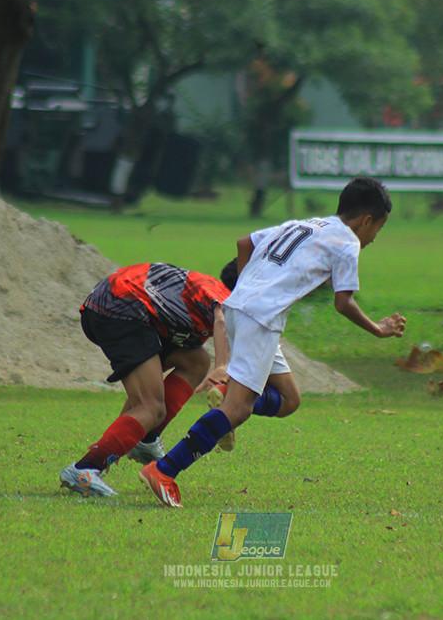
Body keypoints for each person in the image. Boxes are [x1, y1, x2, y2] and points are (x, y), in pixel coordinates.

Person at [139, 176, 407, 508]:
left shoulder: (306, 224)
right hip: (260, 318)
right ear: (367, 220)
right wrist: (378, 329)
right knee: (238, 409)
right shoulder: (347, 242)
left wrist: (248, 287)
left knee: (289, 399)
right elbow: (343, 303)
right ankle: (165, 470)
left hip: (239, 308)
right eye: (377, 230)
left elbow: (244, 244)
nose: (373, 239)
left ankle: (226, 395)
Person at [59, 262, 234, 497]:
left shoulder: (208, 296)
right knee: (150, 407)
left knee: (196, 361)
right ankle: (85, 468)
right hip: (122, 308)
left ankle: (145, 439)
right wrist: (222, 366)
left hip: (122, 307)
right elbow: (222, 320)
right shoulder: (227, 297)